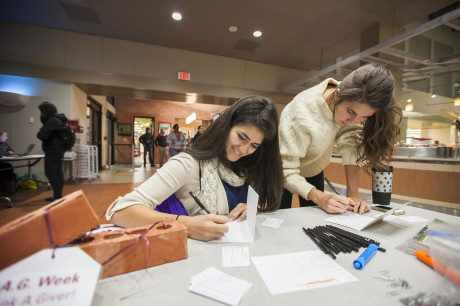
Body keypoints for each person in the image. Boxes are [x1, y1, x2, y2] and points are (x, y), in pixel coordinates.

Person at [106, 96, 283, 242]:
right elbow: (120, 210)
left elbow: (264, 199)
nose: (244, 150)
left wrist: (252, 207)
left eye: (253, 145)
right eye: (241, 137)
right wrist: (186, 225)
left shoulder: (250, 164)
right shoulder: (187, 163)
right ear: (226, 126)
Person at [279, 64, 402, 215]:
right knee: (281, 218)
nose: (352, 121)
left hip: (313, 167)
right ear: (337, 95)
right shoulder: (301, 113)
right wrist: (321, 198)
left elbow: (350, 144)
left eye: (364, 117)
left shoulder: (354, 102)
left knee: (316, 217)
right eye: (351, 112)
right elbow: (287, 172)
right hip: (281, 171)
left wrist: (352, 196)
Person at [37, 101, 68, 201]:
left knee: (50, 173)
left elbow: (41, 135)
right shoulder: (59, 120)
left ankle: (58, 196)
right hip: (58, 150)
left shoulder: (52, 121)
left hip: (52, 150)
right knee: (57, 173)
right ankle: (57, 195)